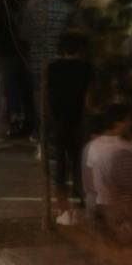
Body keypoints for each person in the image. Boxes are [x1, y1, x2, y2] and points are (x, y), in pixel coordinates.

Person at [44, 32, 94, 219]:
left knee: (60, 161)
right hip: (79, 118)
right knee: (78, 158)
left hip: (59, 117)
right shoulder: (87, 68)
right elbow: (89, 95)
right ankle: (79, 192)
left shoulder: (53, 68)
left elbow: (47, 94)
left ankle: (61, 196)